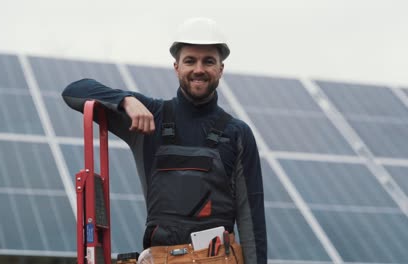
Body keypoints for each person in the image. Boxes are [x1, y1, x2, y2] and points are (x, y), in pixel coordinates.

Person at [62, 17, 267, 264]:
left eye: (208, 61)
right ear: (176, 67)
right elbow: (74, 91)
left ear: (220, 69)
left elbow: (251, 218)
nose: (199, 69)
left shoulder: (237, 133)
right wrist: (125, 100)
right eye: (190, 61)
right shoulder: (149, 117)